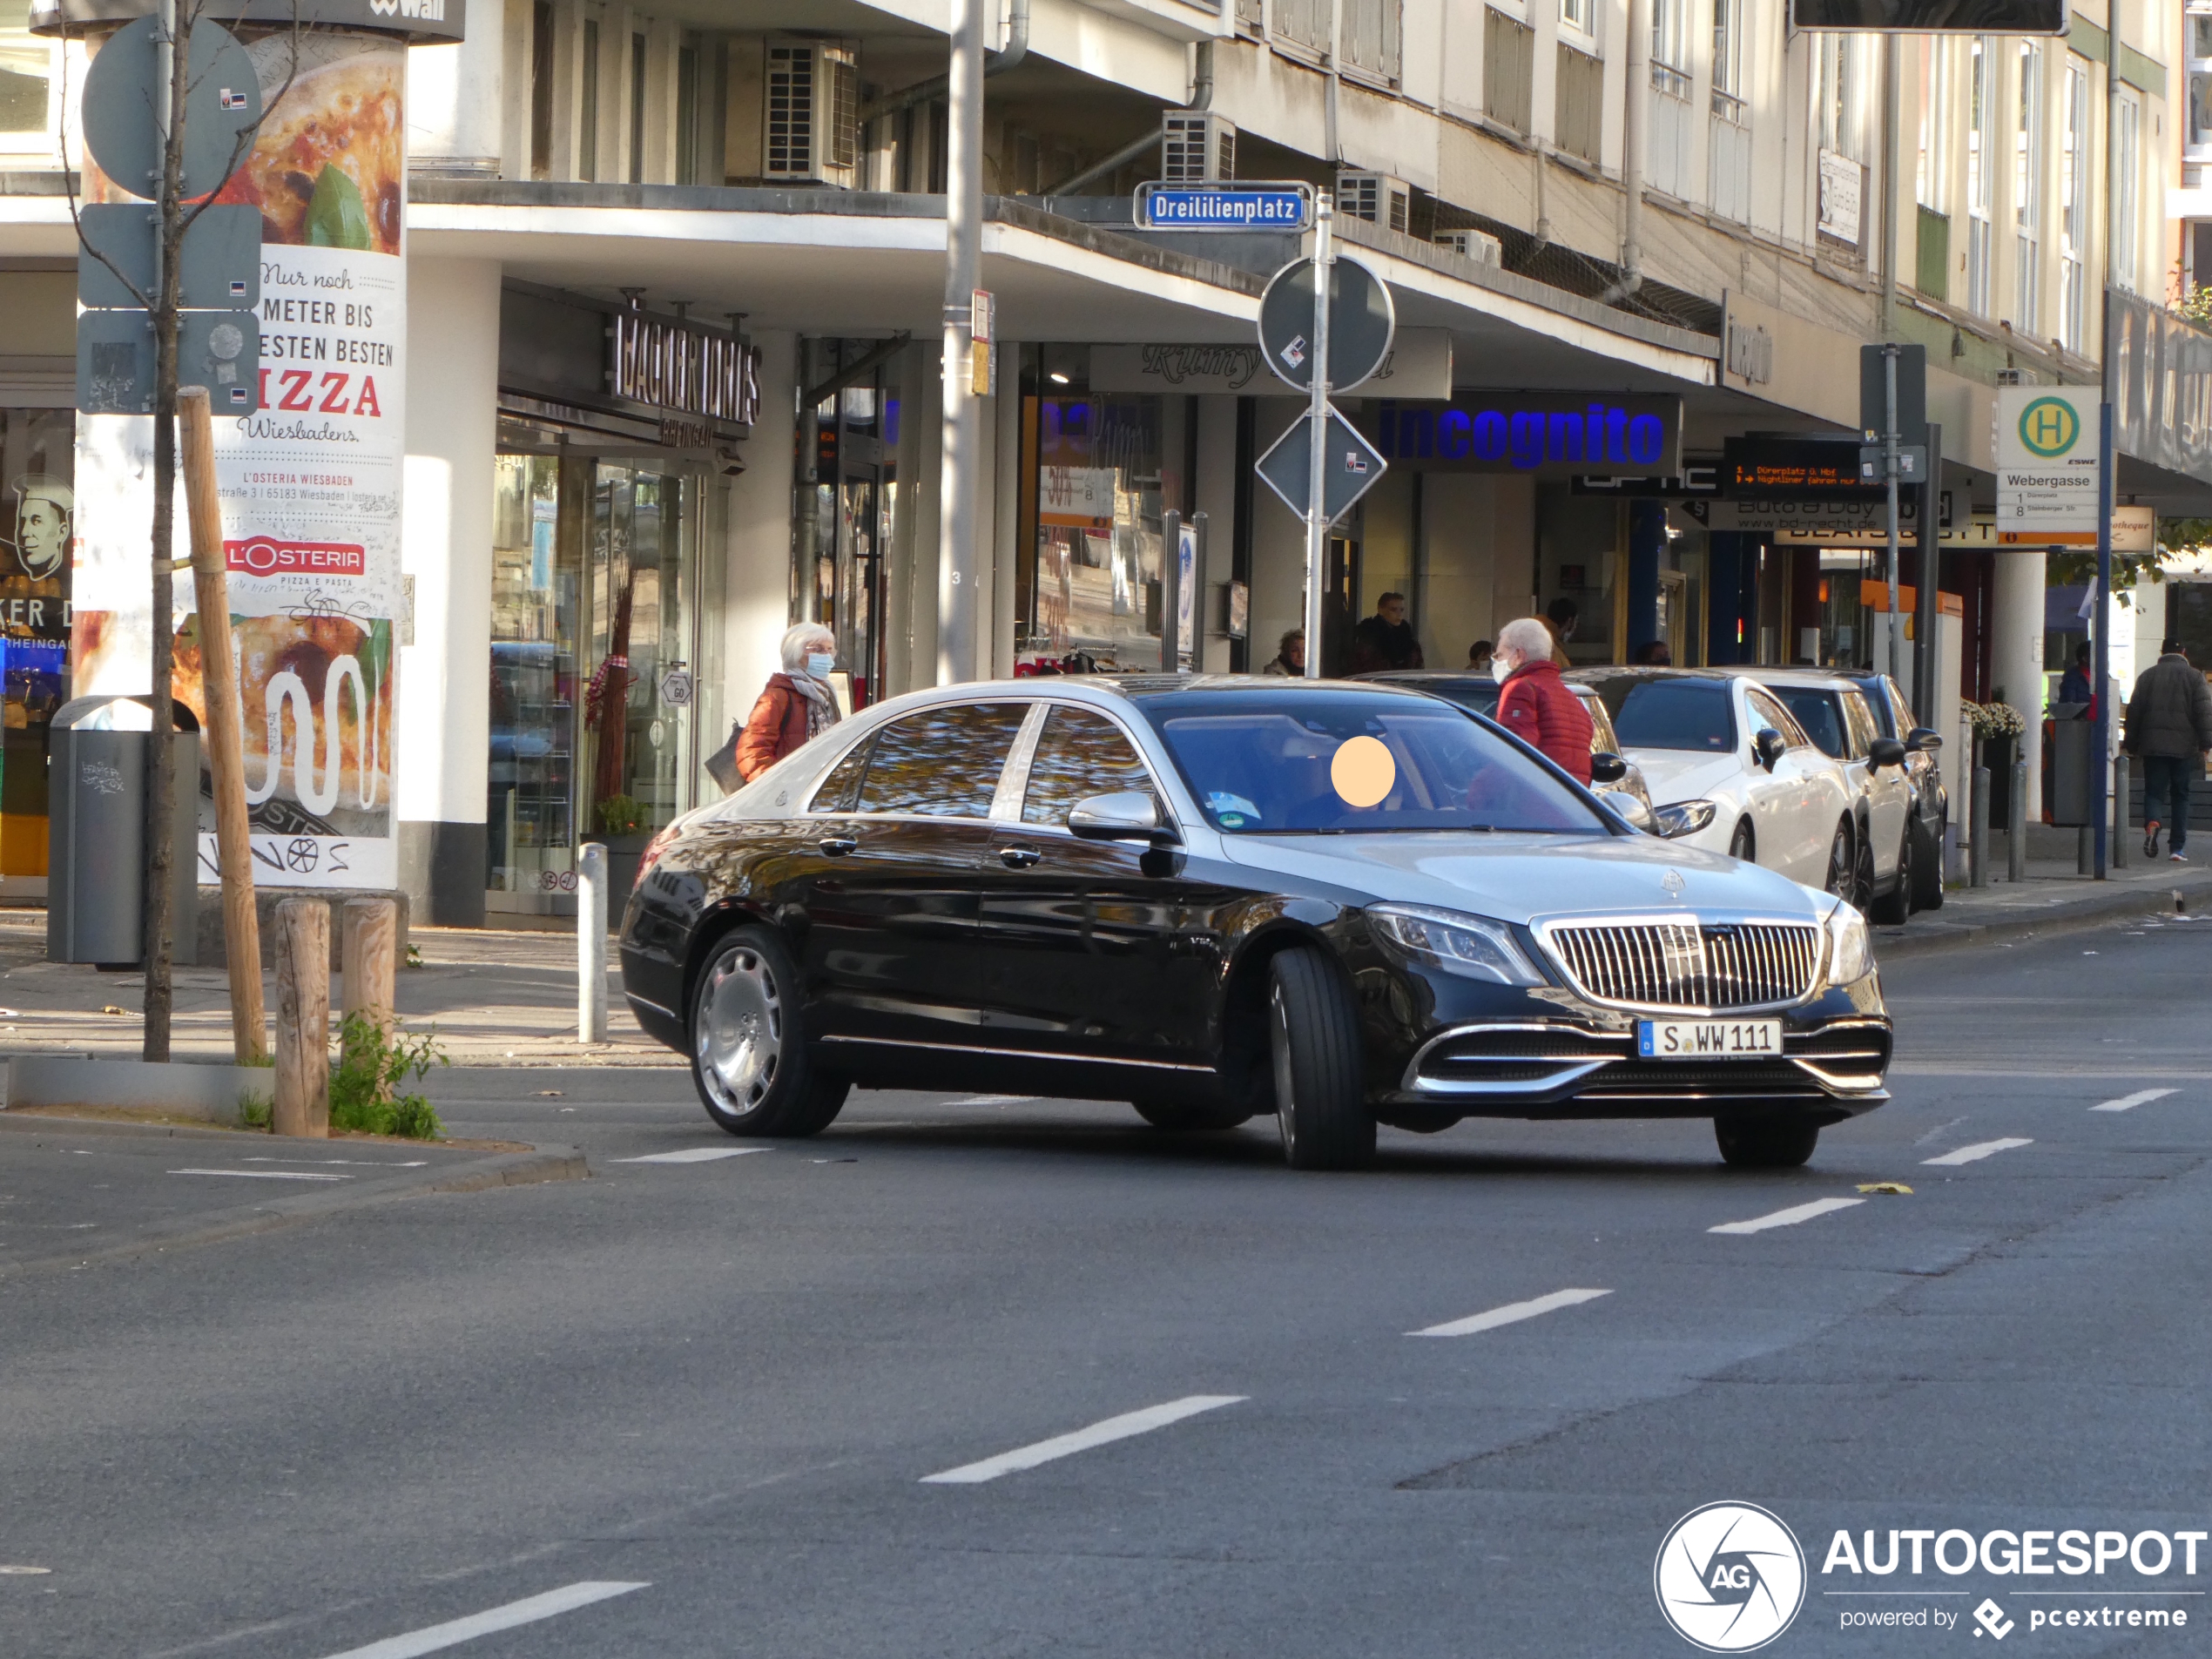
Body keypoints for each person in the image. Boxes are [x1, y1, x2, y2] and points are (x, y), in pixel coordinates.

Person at [2124, 637, 2212, 862]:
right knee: (2180, 796)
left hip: (2153, 747)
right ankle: (2177, 848)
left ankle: (2153, 821)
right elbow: (2204, 713)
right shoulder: (2195, 677)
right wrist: (2206, 743)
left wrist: (2131, 743)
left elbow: (2134, 712)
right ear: (2183, 652)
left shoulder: (2147, 676)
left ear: (2161, 652)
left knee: (2154, 792)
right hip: (2184, 748)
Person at [733, 623, 841, 783]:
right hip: (789, 794)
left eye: (829, 650)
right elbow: (751, 752)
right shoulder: (778, 696)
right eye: (818, 649)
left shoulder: (827, 694)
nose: (826, 656)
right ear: (795, 654)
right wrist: (779, 786)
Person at [1492, 616, 1593, 784]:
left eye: (1499, 655)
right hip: (1570, 804)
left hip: (1530, 802)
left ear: (1518, 655)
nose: (1496, 662)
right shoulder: (1572, 699)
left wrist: (1475, 795)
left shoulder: (1520, 688)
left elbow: (1514, 752)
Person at [1349, 591, 1423, 673]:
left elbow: (1418, 665)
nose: (1399, 614)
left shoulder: (1407, 635)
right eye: (1393, 610)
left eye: (1401, 610)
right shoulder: (1370, 634)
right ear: (1381, 610)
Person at [1543, 597, 1578, 668]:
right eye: (1576, 622)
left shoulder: (1537, 639)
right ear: (1570, 621)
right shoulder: (1554, 654)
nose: (1575, 627)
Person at [2058, 642, 2094, 709]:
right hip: (2081, 718)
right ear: (2085, 658)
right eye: (2095, 656)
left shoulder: (2103, 676)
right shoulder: (2071, 677)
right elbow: (2068, 705)